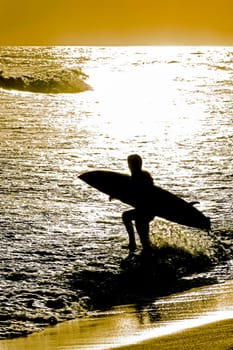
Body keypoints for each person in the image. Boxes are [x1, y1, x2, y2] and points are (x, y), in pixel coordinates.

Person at [122, 154, 155, 253]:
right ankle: (134, 244)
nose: (129, 166)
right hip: (144, 209)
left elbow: (151, 193)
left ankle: (135, 246)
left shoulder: (140, 176)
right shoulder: (139, 175)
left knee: (143, 236)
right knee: (128, 217)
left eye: (130, 164)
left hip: (147, 210)